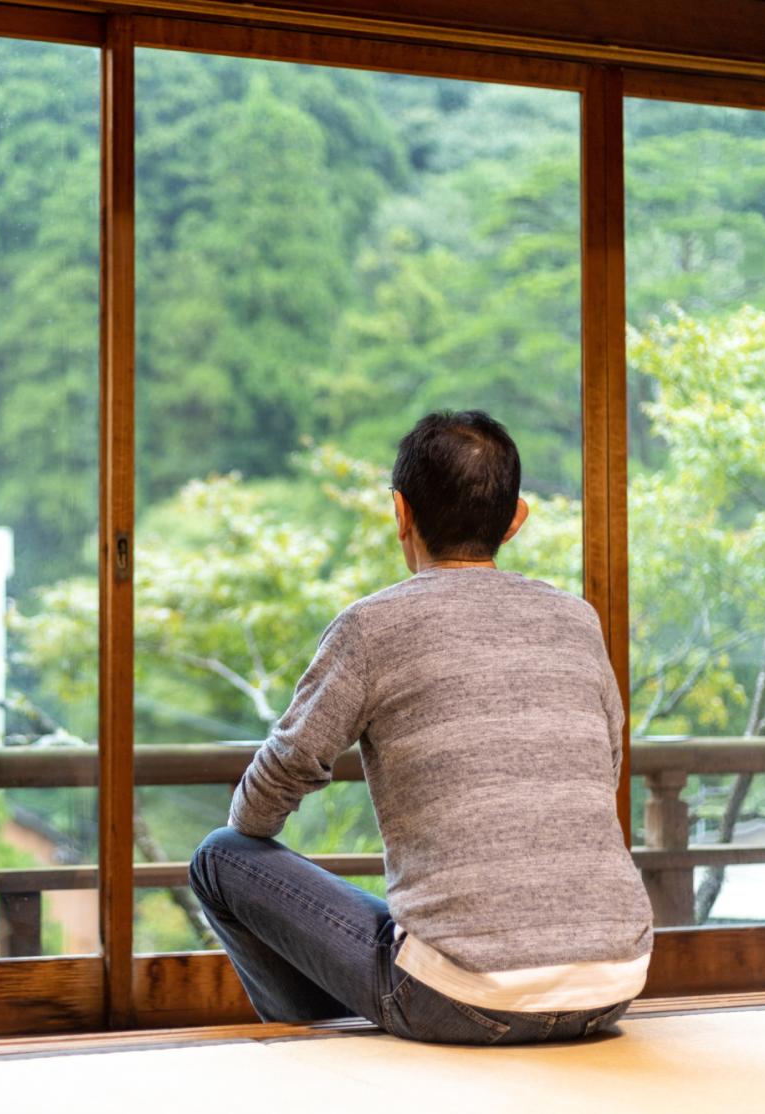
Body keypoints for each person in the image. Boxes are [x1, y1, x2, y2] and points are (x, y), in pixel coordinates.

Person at [188, 409, 653, 1046]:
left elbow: (280, 779)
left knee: (220, 857)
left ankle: (318, 1046)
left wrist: (253, 837)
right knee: (412, 932)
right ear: (515, 519)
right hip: (612, 986)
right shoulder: (576, 619)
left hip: (464, 999)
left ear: (401, 512)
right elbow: (605, 768)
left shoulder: (373, 626)